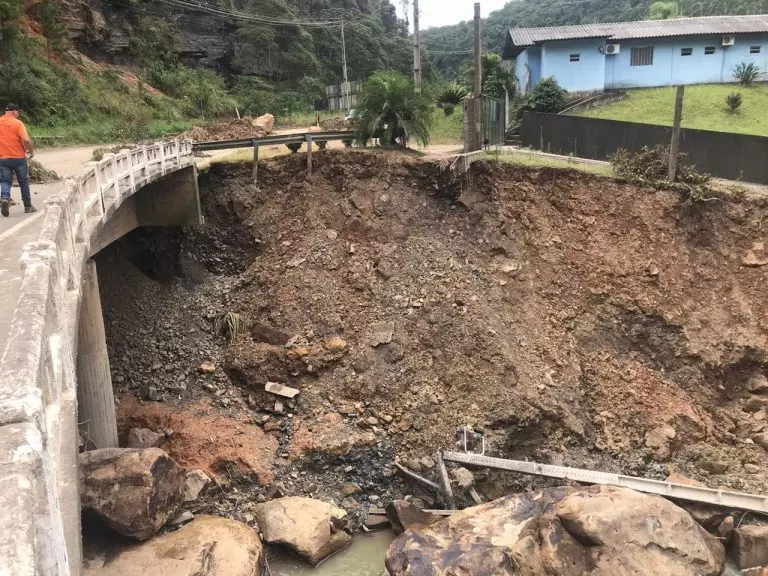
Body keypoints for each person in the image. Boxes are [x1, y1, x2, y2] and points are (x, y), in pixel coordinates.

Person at [0, 103, 36, 217]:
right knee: (23, 181)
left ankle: (5, 198)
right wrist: (31, 150)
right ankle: (28, 206)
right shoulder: (18, 123)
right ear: (14, 111)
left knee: (5, 181)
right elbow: (25, 139)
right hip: (19, 158)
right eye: (18, 112)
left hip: (3, 158)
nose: (18, 114)